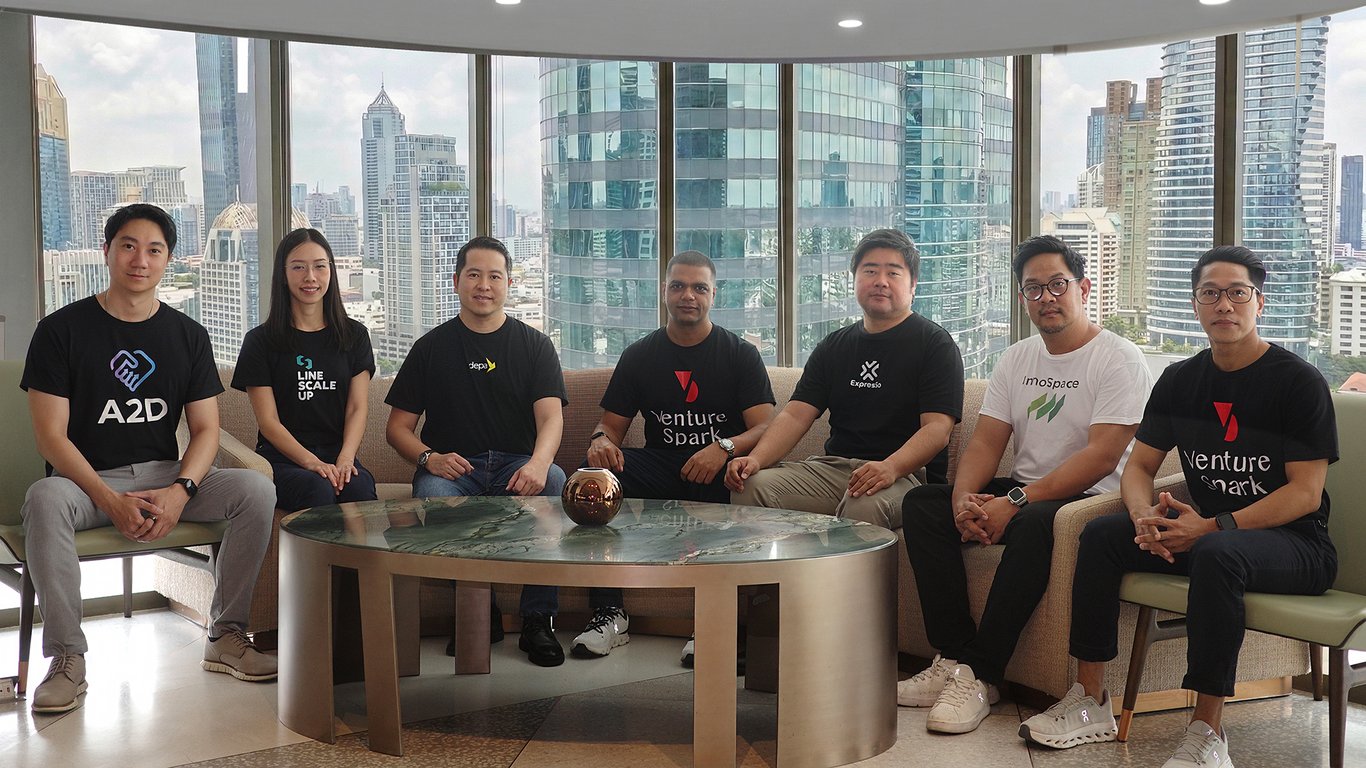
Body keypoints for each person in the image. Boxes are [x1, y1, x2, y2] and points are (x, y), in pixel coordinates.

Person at [1021, 246, 1338, 768]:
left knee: (1218, 552)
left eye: (1237, 293)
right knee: (1101, 536)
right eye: (1210, 294)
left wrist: (1212, 526)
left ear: (1259, 302)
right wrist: (1144, 517)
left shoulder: (1297, 382)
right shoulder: (1181, 380)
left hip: (1297, 545)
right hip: (1209, 534)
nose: (1224, 305)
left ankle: (1207, 734)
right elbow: (1140, 467)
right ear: (1195, 305)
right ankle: (1091, 701)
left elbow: (1304, 493)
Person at [20, 203, 277, 714]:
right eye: (129, 246)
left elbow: (206, 430)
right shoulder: (60, 331)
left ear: (168, 260)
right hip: (86, 484)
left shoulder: (187, 335)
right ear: (107, 252)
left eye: (154, 250)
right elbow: (51, 439)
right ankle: (68, 659)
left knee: (256, 489)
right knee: (44, 497)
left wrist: (182, 490)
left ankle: (225, 635)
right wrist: (109, 500)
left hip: (163, 476)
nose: (140, 259)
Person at [898, 235, 1152, 735]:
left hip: (1092, 503)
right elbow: (985, 443)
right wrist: (963, 501)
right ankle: (954, 658)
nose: (1046, 297)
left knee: (1036, 522)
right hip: (1028, 491)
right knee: (923, 504)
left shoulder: (1118, 358)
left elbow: (1101, 458)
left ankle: (983, 675)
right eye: (1033, 289)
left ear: (1083, 288)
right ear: (1022, 298)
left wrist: (1014, 501)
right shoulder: (1017, 358)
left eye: (1057, 284)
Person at [574, 250, 775, 661]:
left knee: (744, 482)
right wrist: (601, 441)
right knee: (594, 479)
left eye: (699, 287)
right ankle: (610, 614)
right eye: (679, 286)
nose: (688, 295)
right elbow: (610, 426)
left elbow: (766, 428)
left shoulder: (739, 354)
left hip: (720, 468)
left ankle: (714, 622)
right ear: (664, 291)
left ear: (714, 295)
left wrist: (722, 447)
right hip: (663, 464)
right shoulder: (640, 354)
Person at [385, 235, 570, 667]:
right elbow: (397, 428)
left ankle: (538, 620)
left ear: (508, 283)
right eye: (473, 275)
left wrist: (539, 463)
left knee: (555, 480)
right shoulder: (431, 347)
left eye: (494, 276)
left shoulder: (535, 345)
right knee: (433, 492)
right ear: (456, 282)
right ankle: (478, 614)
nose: (483, 285)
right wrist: (429, 458)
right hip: (453, 470)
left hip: (516, 466)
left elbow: (551, 419)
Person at [726, 228, 963, 530]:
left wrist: (890, 467)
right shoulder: (834, 346)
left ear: (913, 284)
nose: (880, 281)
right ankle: (779, 565)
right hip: (835, 471)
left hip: (906, 476)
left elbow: (937, 429)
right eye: (870, 271)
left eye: (893, 273)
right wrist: (756, 459)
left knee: (863, 502)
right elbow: (796, 415)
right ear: (855, 279)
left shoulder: (935, 344)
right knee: (751, 485)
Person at [232, 228, 377, 512]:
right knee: (317, 486)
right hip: (282, 460)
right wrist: (312, 463)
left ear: (331, 272)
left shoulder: (354, 335)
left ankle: (356, 548)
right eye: (298, 267)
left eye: (319, 267)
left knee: (358, 486)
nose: (310, 277)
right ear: (283, 274)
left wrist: (346, 458)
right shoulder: (260, 341)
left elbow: (357, 408)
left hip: (338, 455)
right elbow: (269, 422)